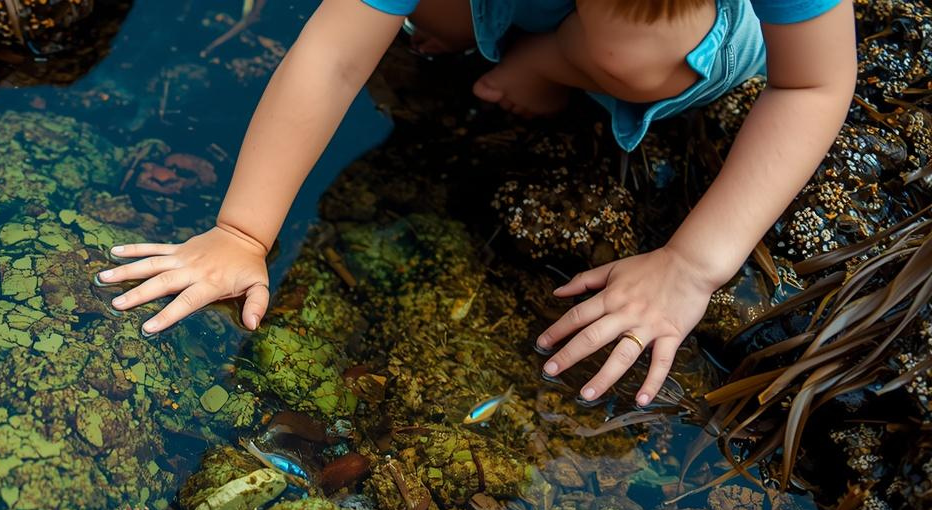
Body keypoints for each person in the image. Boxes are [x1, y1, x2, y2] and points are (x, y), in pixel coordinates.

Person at [95, 0, 855, 406]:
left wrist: (691, 267)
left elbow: (815, 84)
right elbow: (333, 53)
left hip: (683, 29)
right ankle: (545, 39)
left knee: (628, 45)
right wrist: (241, 230)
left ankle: (565, 59)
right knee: (431, 16)